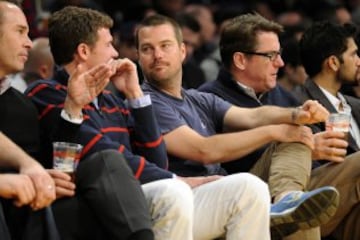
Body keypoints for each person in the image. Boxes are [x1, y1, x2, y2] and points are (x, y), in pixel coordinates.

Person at [25, 6, 276, 240]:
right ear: (83, 51)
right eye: (110, 44)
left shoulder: (112, 100)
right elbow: (104, 156)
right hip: (99, 205)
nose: (115, 53)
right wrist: (179, 179)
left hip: (143, 196)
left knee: (248, 187)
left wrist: (135, 96)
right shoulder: (47, 92)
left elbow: (156, 160)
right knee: (172, 192)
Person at [136, 14, 339, 240]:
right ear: (138, 57)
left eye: (165, 46)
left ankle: (287, 198)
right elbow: (203, 150)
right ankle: (286, 203)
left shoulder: (196, 98)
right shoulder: (146, 102)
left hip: (223, 187)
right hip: (189, 198)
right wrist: (276, 130)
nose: (158, 55)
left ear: (183, 51)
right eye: (147, 49)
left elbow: (252, 116)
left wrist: (297, 114)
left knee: (298, 137)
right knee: (264, 170)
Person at [0, 1, 156, 240]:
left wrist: (73, 107)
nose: (29, 43)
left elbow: (59, 165)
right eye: (20, 31)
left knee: (105, 183)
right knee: (109, 162)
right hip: (13, 205)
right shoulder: (41, 92)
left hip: (36, 203)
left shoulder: (21, 104)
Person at [198, 13, 360, 240]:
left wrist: (315, 151)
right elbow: (214, 162)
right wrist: (308, 147)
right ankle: (291, 200)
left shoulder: (283, 96)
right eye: (271, 55)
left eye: (280, 54)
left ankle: (293, 200)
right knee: (294, 140)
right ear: (240, 60)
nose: (281, 63)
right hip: (250, 196)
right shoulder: (208, 99)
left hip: (306, 184)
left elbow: (308, 153)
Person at [294, 21, 360, 240]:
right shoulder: (300, 105)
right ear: (333, 62)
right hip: (324, 206)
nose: (359, 62)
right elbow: (307, 171)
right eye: (354, 55)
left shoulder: (355, 104)